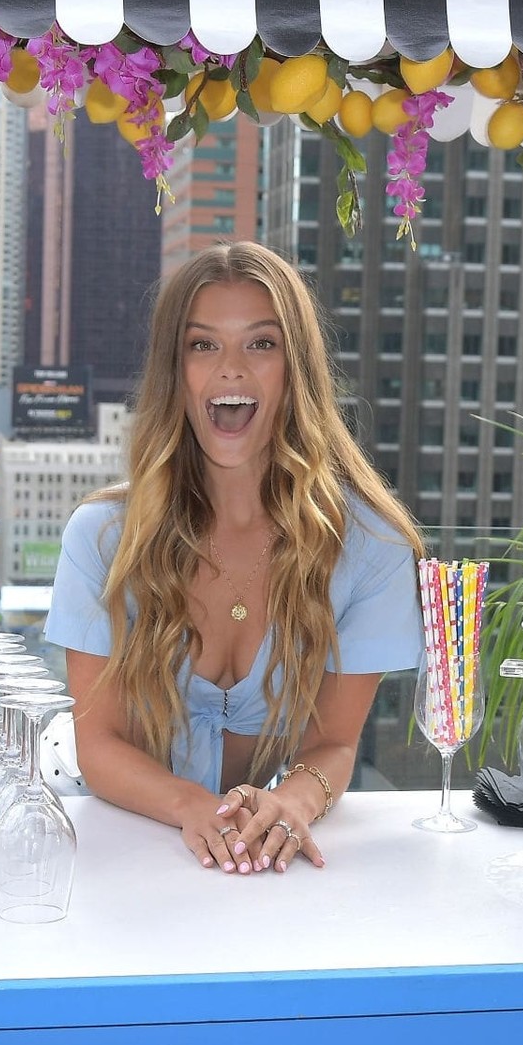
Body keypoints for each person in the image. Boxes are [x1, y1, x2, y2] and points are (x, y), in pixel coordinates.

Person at [45, 242, 423, 876]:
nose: (230, 370)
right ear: (176, 372)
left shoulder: (369, 548)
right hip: (88, 817)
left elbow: (334, 743)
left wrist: (290, 802)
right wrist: (195, 807)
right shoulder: (104, 538)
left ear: (295, 370)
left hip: (228, 847)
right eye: (202, 345)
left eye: (261, 344)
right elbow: (99, 746)